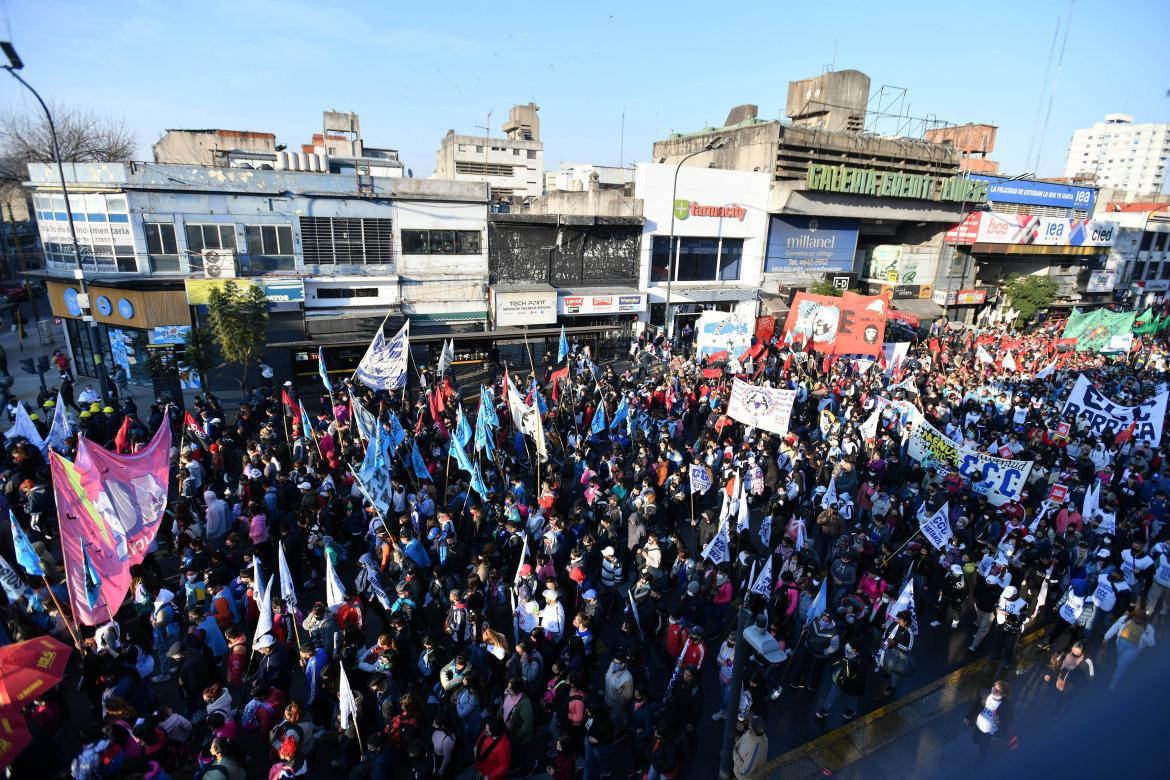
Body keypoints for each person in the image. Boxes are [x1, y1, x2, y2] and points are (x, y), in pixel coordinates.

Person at [1103, 607, 1157, 690]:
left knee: (1122, 664)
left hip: (1134, 648)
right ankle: (1120, 669)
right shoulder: (1125, 619)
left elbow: (1152, 643)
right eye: (1135, 619)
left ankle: (1114, 681)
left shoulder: (1148, 628)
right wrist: (1106, 637)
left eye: (1139, 621)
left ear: (1143, 620)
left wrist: (1143, 633)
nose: (1137, 622)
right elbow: (1115, 626)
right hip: (1121, 642)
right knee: (1119, 659)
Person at [965, 680, 1013, 760]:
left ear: (1003, 694)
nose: (994, 692)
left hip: (989, 732)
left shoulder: (1006, 707)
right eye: (993, 688)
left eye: (997, 691)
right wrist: (968, 716)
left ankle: (979, 764)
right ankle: (984, 745)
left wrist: (998, 720)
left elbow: (1009, 721)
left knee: (983, 749)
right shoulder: (984, 694)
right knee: (975, 740)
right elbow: (975, 704)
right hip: (979, 724)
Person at [733, 715, 768, 780]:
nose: (749, 723)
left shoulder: (755, 750)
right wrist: (737, 743)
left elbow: (745, 772)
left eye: (750, 723)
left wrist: (734, 752)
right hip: (737, 768)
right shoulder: (759, 734)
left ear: (751, 727)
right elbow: (746, 736)